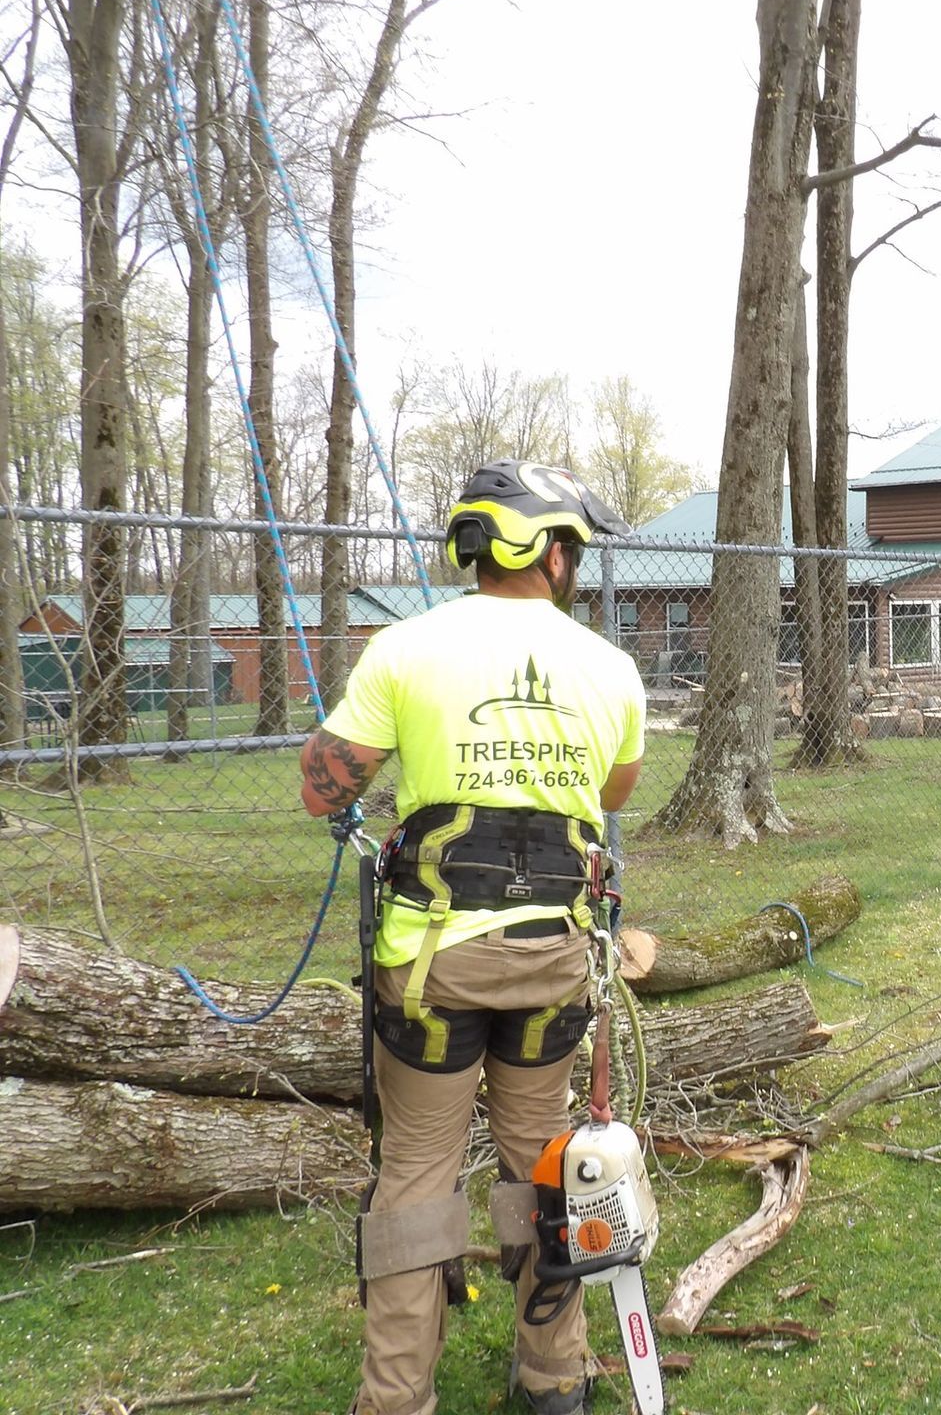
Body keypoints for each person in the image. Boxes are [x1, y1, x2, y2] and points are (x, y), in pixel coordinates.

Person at [299, 460, 645, 1415]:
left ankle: (398, 1397)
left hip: (429, 968)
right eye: (571, 544)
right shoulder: (610, 669)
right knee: (546, 1162)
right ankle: (553, 1382)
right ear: (547, 549)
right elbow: (610, 794)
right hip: (551, 961)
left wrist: (376, 779)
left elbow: (322, 786)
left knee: (415, 1178)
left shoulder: (404, 649)